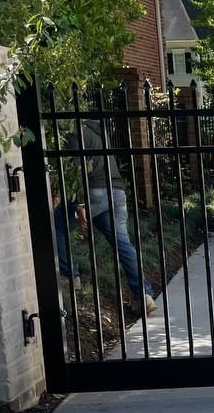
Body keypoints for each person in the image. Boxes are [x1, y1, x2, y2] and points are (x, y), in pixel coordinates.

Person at [54, 119, 157, 315]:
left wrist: (81, 204)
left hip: (95, 192)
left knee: (56, 226)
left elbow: (78, 169)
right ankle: (143, 295)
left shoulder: (75, 131)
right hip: (117, 192)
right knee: (123, 244)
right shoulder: (98, 130)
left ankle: (70, 276)